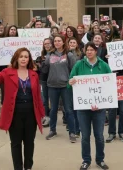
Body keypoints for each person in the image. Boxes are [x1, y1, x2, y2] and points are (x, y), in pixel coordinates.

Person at [0, 48, 45, 170]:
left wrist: (42, 113)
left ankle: (28, 166)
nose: (23, 59)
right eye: (21, 56)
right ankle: (18, 167)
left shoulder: (33, 74)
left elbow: (37, 95)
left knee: (29, 143)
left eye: (26, 57)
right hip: (14, 112)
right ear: (16, 58)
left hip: (31, 113)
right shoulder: (7, 72)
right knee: (16, 143)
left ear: (29, 59)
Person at [68, 42, 112, 170]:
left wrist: (104, 103)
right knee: (85, 136)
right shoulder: (78, 65)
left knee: (99, 136)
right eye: (87, 50)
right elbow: (69, 84)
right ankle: (86, 160)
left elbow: (110, 85)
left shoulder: (103, 65)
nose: (89, 52)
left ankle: (100, 160)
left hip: (99, 108)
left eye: (92, 50)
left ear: (96, 51)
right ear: (84, 51)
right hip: (83, 108)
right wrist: (71, 82)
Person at [41, 34, 77, 143]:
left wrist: (71, 81)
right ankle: (52, 130)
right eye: (55, 41)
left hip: (65, 86)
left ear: (63, 42)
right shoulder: (49, 55)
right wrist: (42, 63)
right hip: (52, 86)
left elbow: (74, 69)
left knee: (69, 110)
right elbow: (45, 70)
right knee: (53, 110)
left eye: (59, 41)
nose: (57, 43)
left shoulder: (69, 55)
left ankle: (72, 132)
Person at [36, 38, 53, 127]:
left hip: (54, 80)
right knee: (44, 100)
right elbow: (40, 70)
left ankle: (52, 118)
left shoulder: (55, 55)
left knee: (53, 101)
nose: (47, 45)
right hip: (43, 80)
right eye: (45, 43)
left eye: (48, 43)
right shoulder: (40, 57)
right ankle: (46, 118)